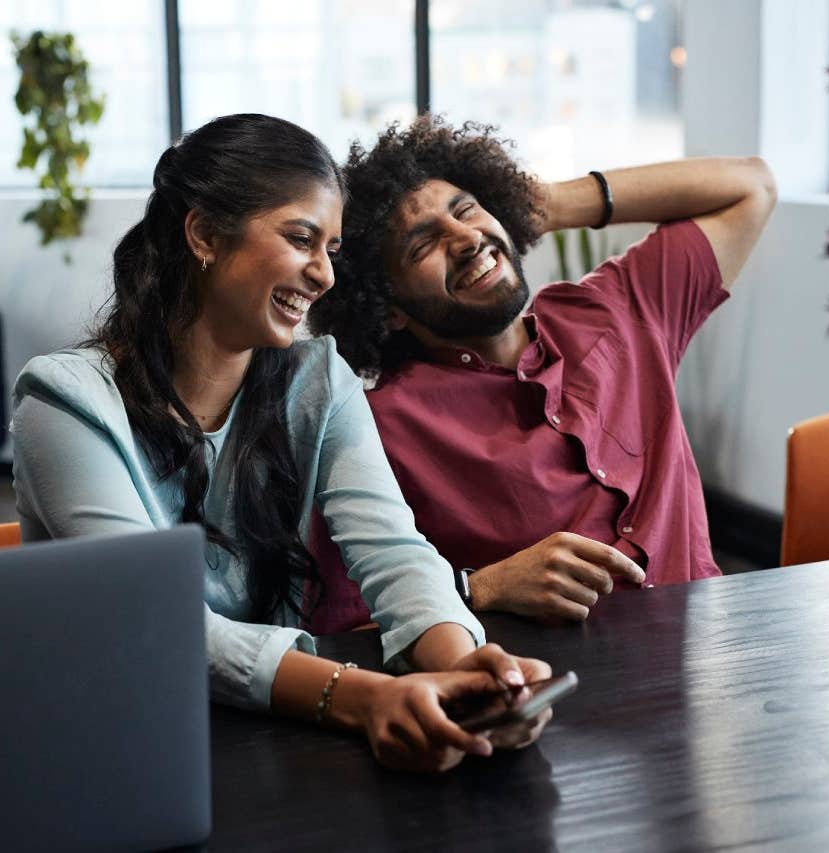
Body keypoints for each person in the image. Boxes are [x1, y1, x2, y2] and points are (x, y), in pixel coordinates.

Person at [10, 113, 550, 774]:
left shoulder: (319, 379)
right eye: (301, 239)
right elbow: (158, 622)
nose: (323, 275)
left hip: (274, 738)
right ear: (205, 233)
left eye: (331, 249)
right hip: (113, 750)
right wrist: (366, 697)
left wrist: (468, 669)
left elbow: (395, 554)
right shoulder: (62, 403)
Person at [308, 114, 777, 628]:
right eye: (423, 245)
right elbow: (340, 630)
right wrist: (480, 589)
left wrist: (547, 206)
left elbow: (751, 185)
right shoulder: (375, 430)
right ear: (388, 305)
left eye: (468, 210)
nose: (467, 239)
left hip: (710, 663)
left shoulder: (621, 309)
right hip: (547, 690)